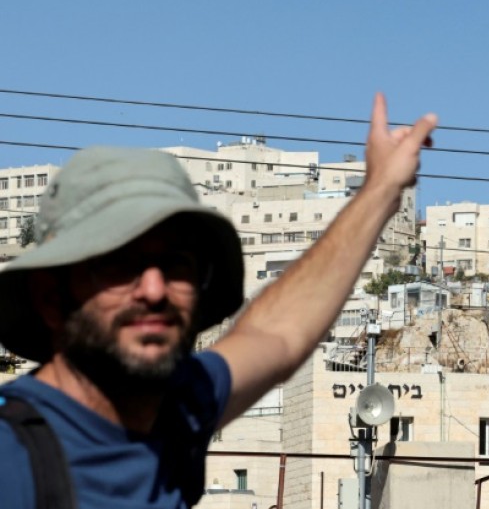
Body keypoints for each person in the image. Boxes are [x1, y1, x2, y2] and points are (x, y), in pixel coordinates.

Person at [0, 93, 437, 508]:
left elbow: (278, 333)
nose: (154, 291)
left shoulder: (176, 410)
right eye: (119, 266)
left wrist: (381, 189)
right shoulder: (13, 458)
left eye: (177, 265)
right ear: (50, 298)